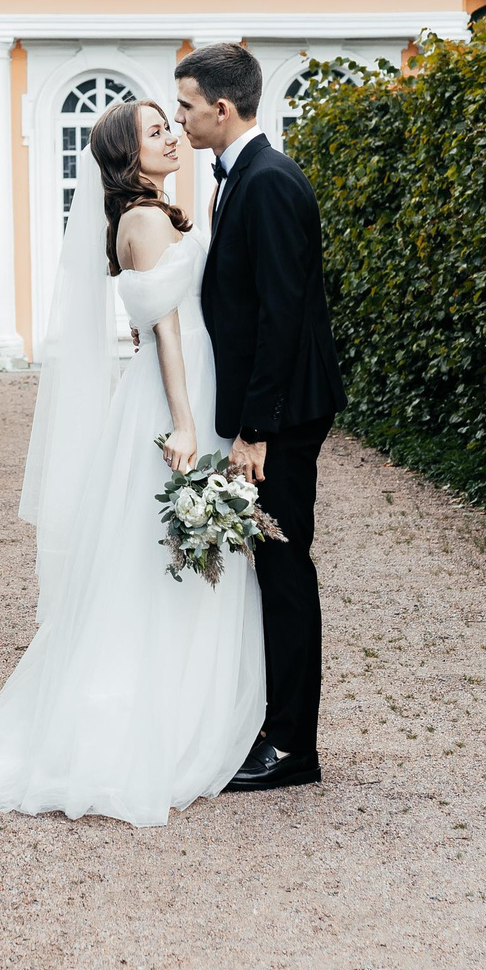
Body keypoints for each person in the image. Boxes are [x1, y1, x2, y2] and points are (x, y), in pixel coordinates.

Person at [0, 99, 266, 826]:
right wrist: (186, 424)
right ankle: (157, 714)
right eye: (156, 132)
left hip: (174, 382)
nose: (171, 136)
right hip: (174, 389)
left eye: (169, 124)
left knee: (144, 550)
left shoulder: (144, 214)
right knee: (160, 553)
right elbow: (163, 331)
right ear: (130, 155)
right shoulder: (148, 219)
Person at [171, 42, 345, 792]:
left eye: (184, 106)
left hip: (283, 416)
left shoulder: (269, 181)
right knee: (271, 566)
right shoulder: (242, 176)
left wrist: (255, 428)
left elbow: (283, 313)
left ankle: (292, 748)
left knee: (283, 569)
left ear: (221, 106)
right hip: (270, 410)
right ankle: (273, 728)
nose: (177, 120)